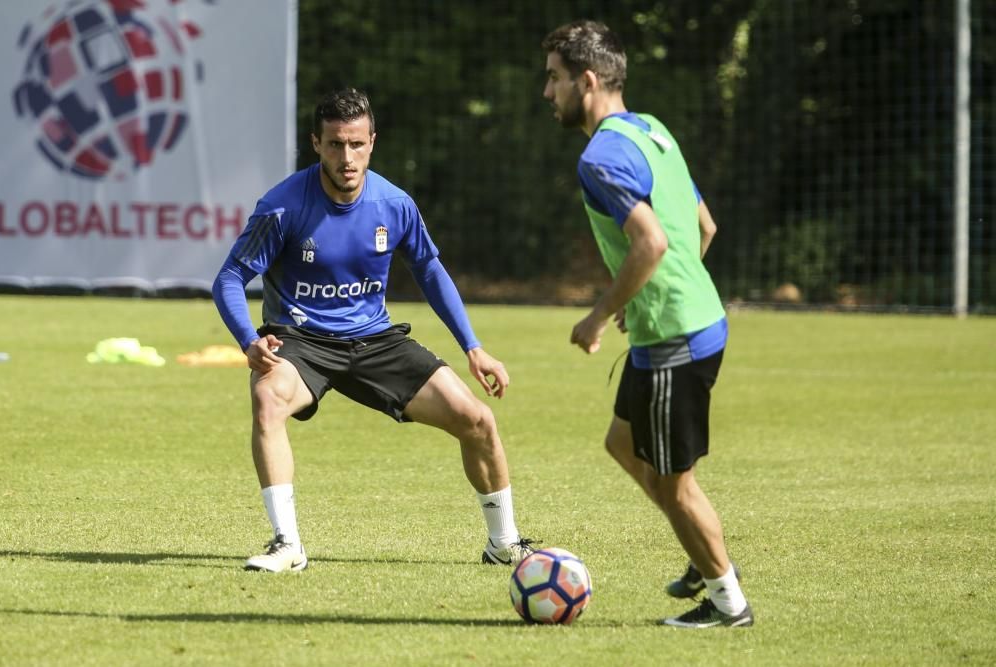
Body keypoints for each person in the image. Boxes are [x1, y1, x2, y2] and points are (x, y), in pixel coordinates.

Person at [212, 88, 533, 572]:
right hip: (301, 342)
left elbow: (430, 271)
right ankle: (287, 544)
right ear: (316, 144)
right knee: (267, 400)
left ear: (373, 142)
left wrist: (473, 346)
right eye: (337, 144)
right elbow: (230, 278)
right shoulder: (281, 207)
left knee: (478, 419)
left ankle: (503, 543)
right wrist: (249, 340)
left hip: (375, 339)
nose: (347, 157)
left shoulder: (394, 203)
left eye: (357, 144)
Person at [541, 21, 753, 628]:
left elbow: (651, 242)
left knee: (675, 483)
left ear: (586, 81)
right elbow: (703, 227)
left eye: (554, 78)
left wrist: (599, 316)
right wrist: (657, 296)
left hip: (673, 341)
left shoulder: (600, 155)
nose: (547, 92)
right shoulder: (651, 129)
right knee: (621, 444)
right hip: (694, 320)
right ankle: (700, 553)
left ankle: (727, 603)